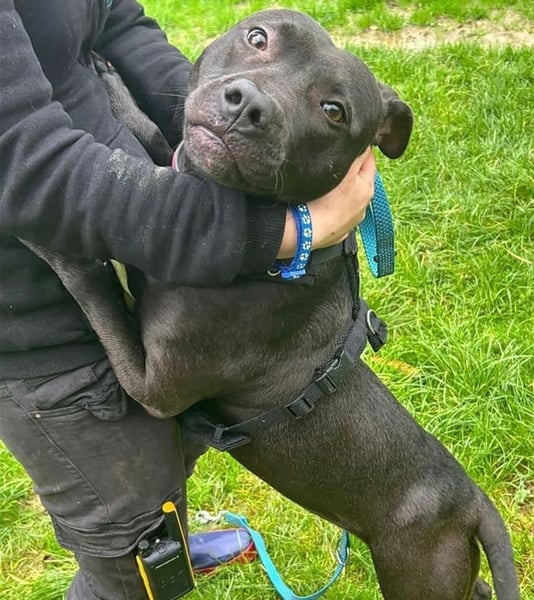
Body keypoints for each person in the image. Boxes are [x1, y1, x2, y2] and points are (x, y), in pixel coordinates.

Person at [0, 0, 376, 598]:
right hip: (37, 319)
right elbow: (20, 163)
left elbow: (116, 20)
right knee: (136, 568)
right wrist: (283, 232)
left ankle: (159, 521)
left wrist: (233, 125)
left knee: (170, 459)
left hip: (150, 230)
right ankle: (140, 552)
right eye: (260, 41)